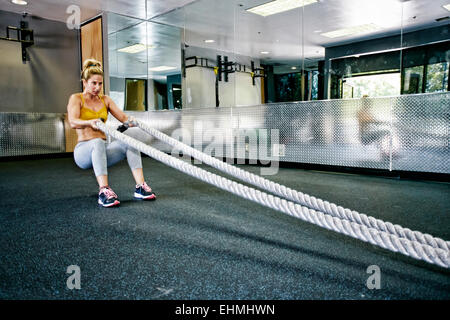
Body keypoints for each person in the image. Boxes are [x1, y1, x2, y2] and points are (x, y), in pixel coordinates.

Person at [67, 58, 156, 207]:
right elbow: (73, 121)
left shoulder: (105, 100)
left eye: (100, 83)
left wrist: (130, 121)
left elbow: (123, 118)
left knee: (129, 142)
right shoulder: (77, 99)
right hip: (83, 152)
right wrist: (90, 122)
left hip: (102, 151)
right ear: (85, 82)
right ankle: (104, 190)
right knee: (97, 143)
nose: (97, 87)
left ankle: (140, 187)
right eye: (93, 83)